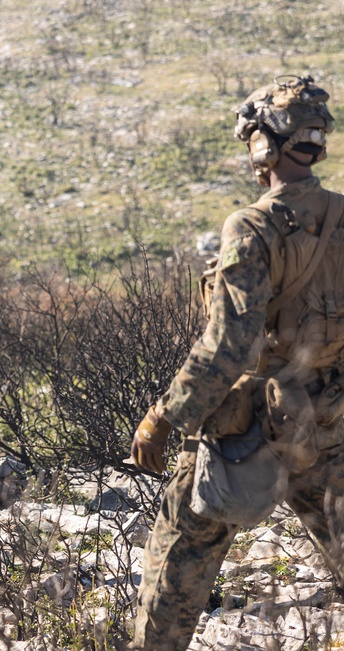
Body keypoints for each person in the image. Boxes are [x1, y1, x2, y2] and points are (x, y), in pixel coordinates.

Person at [130, 75, 344, 651]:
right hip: (330, 422)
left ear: (263, 146)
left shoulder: (250, 226)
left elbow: (231, 343)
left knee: (180, 557)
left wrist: (164, 417)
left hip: (252, 426)